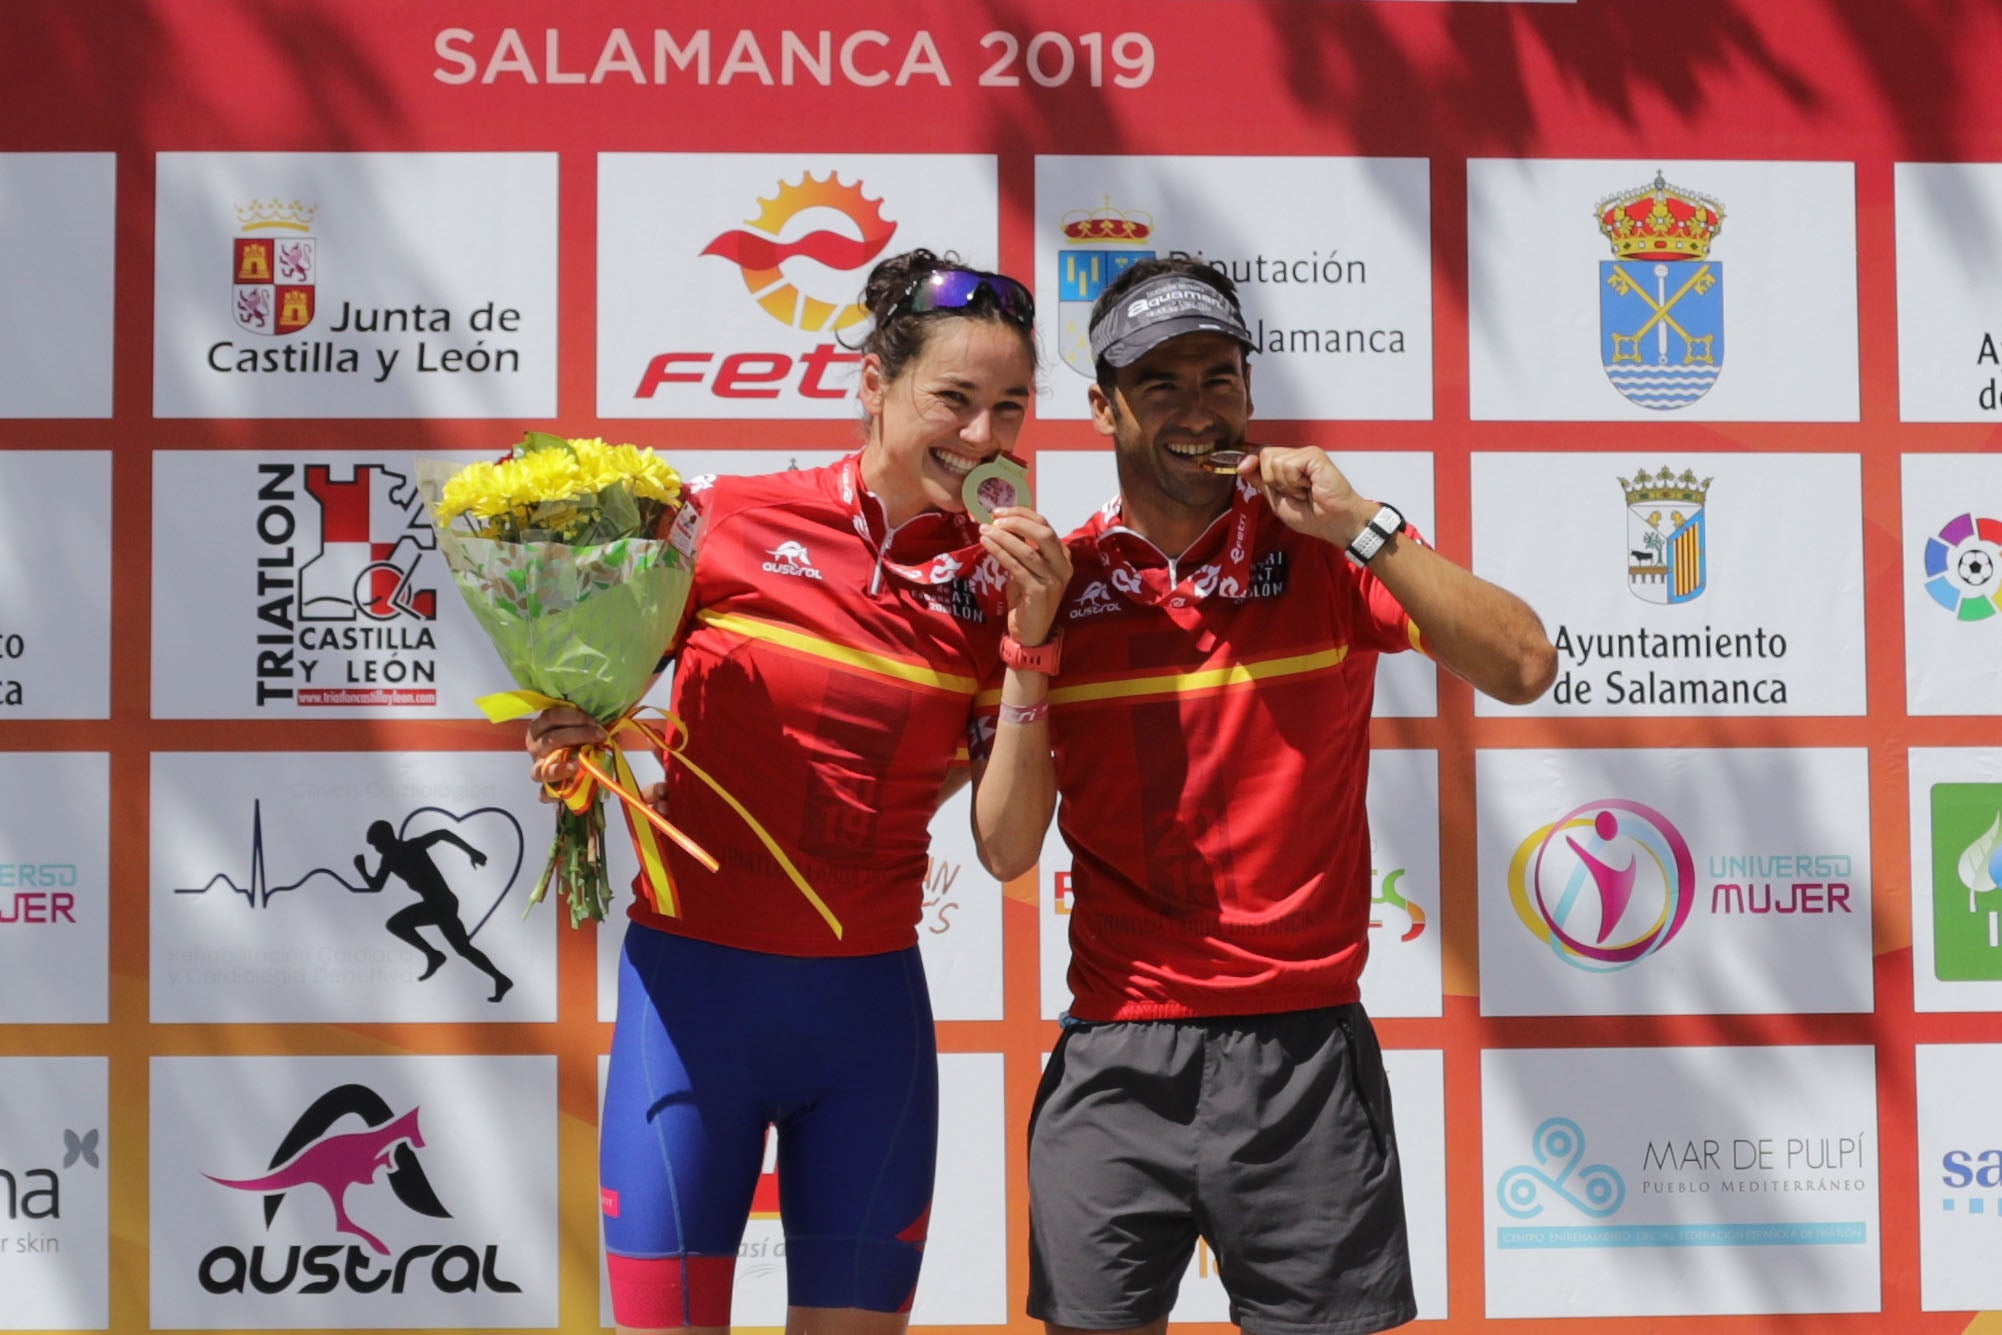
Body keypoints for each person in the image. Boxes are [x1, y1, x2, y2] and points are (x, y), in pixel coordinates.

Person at [981, 255, 1558, 1335]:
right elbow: (1005, 847)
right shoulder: (1062, 581)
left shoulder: (1329, 549)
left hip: (1303, 1058)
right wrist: (1031, 643)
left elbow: (1523, 665)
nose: (1197, 410)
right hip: (1119, 1047)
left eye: (1219, 378)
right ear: (1102, 406)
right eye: (1160, 385)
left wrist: (1365, 526)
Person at [525, 249, 1072, 1335]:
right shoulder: (720, 520)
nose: (980, 438)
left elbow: (1009, 849)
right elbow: (598, 696)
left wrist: (1030, 647)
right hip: (688, 1007)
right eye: (952, 401)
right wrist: (571, 728)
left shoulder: (994, 584)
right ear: (873, 384)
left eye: (1007, 409)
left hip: (865, 1020)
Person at [351, 818, 513, 1002]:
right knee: (463, 949)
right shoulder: (393, 857)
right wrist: (362, 870)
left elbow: (442, 833)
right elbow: (377, 886)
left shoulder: (408, 849)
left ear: (387, 838)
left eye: (377, 844)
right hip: (439, 903)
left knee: (397, 925)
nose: (377, 849)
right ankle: (500, 978)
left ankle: (434, 955)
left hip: (441, 903)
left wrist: (472, 852)